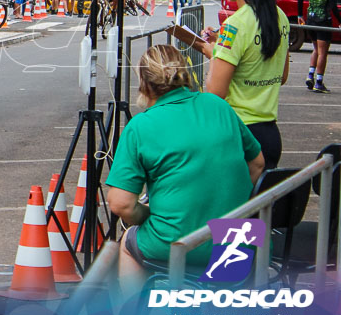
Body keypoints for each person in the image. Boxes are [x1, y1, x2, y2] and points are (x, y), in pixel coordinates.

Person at [106, 45, 264, 296]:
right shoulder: (218, 106)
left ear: (144, 83)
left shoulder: (141, 126)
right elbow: (257, 164)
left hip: (179, 244)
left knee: (128, 243)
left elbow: (121, 204)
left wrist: (147, 216)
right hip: (239, 242)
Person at [195, 0, 290, 170]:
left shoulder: (234, 25)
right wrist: (220, 49)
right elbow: (282, 75)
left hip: (240, 137)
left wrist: (212, 52)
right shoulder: (280, 16)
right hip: (269, 133)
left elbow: (216, 91)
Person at [298, 0, 341, 93]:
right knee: (323, 52)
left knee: (316, 49)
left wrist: (300, 16)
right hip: (323, 21)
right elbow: (333, 6)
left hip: (310, 20)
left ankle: (310, 75)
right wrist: (340, 21)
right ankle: (319, 82)